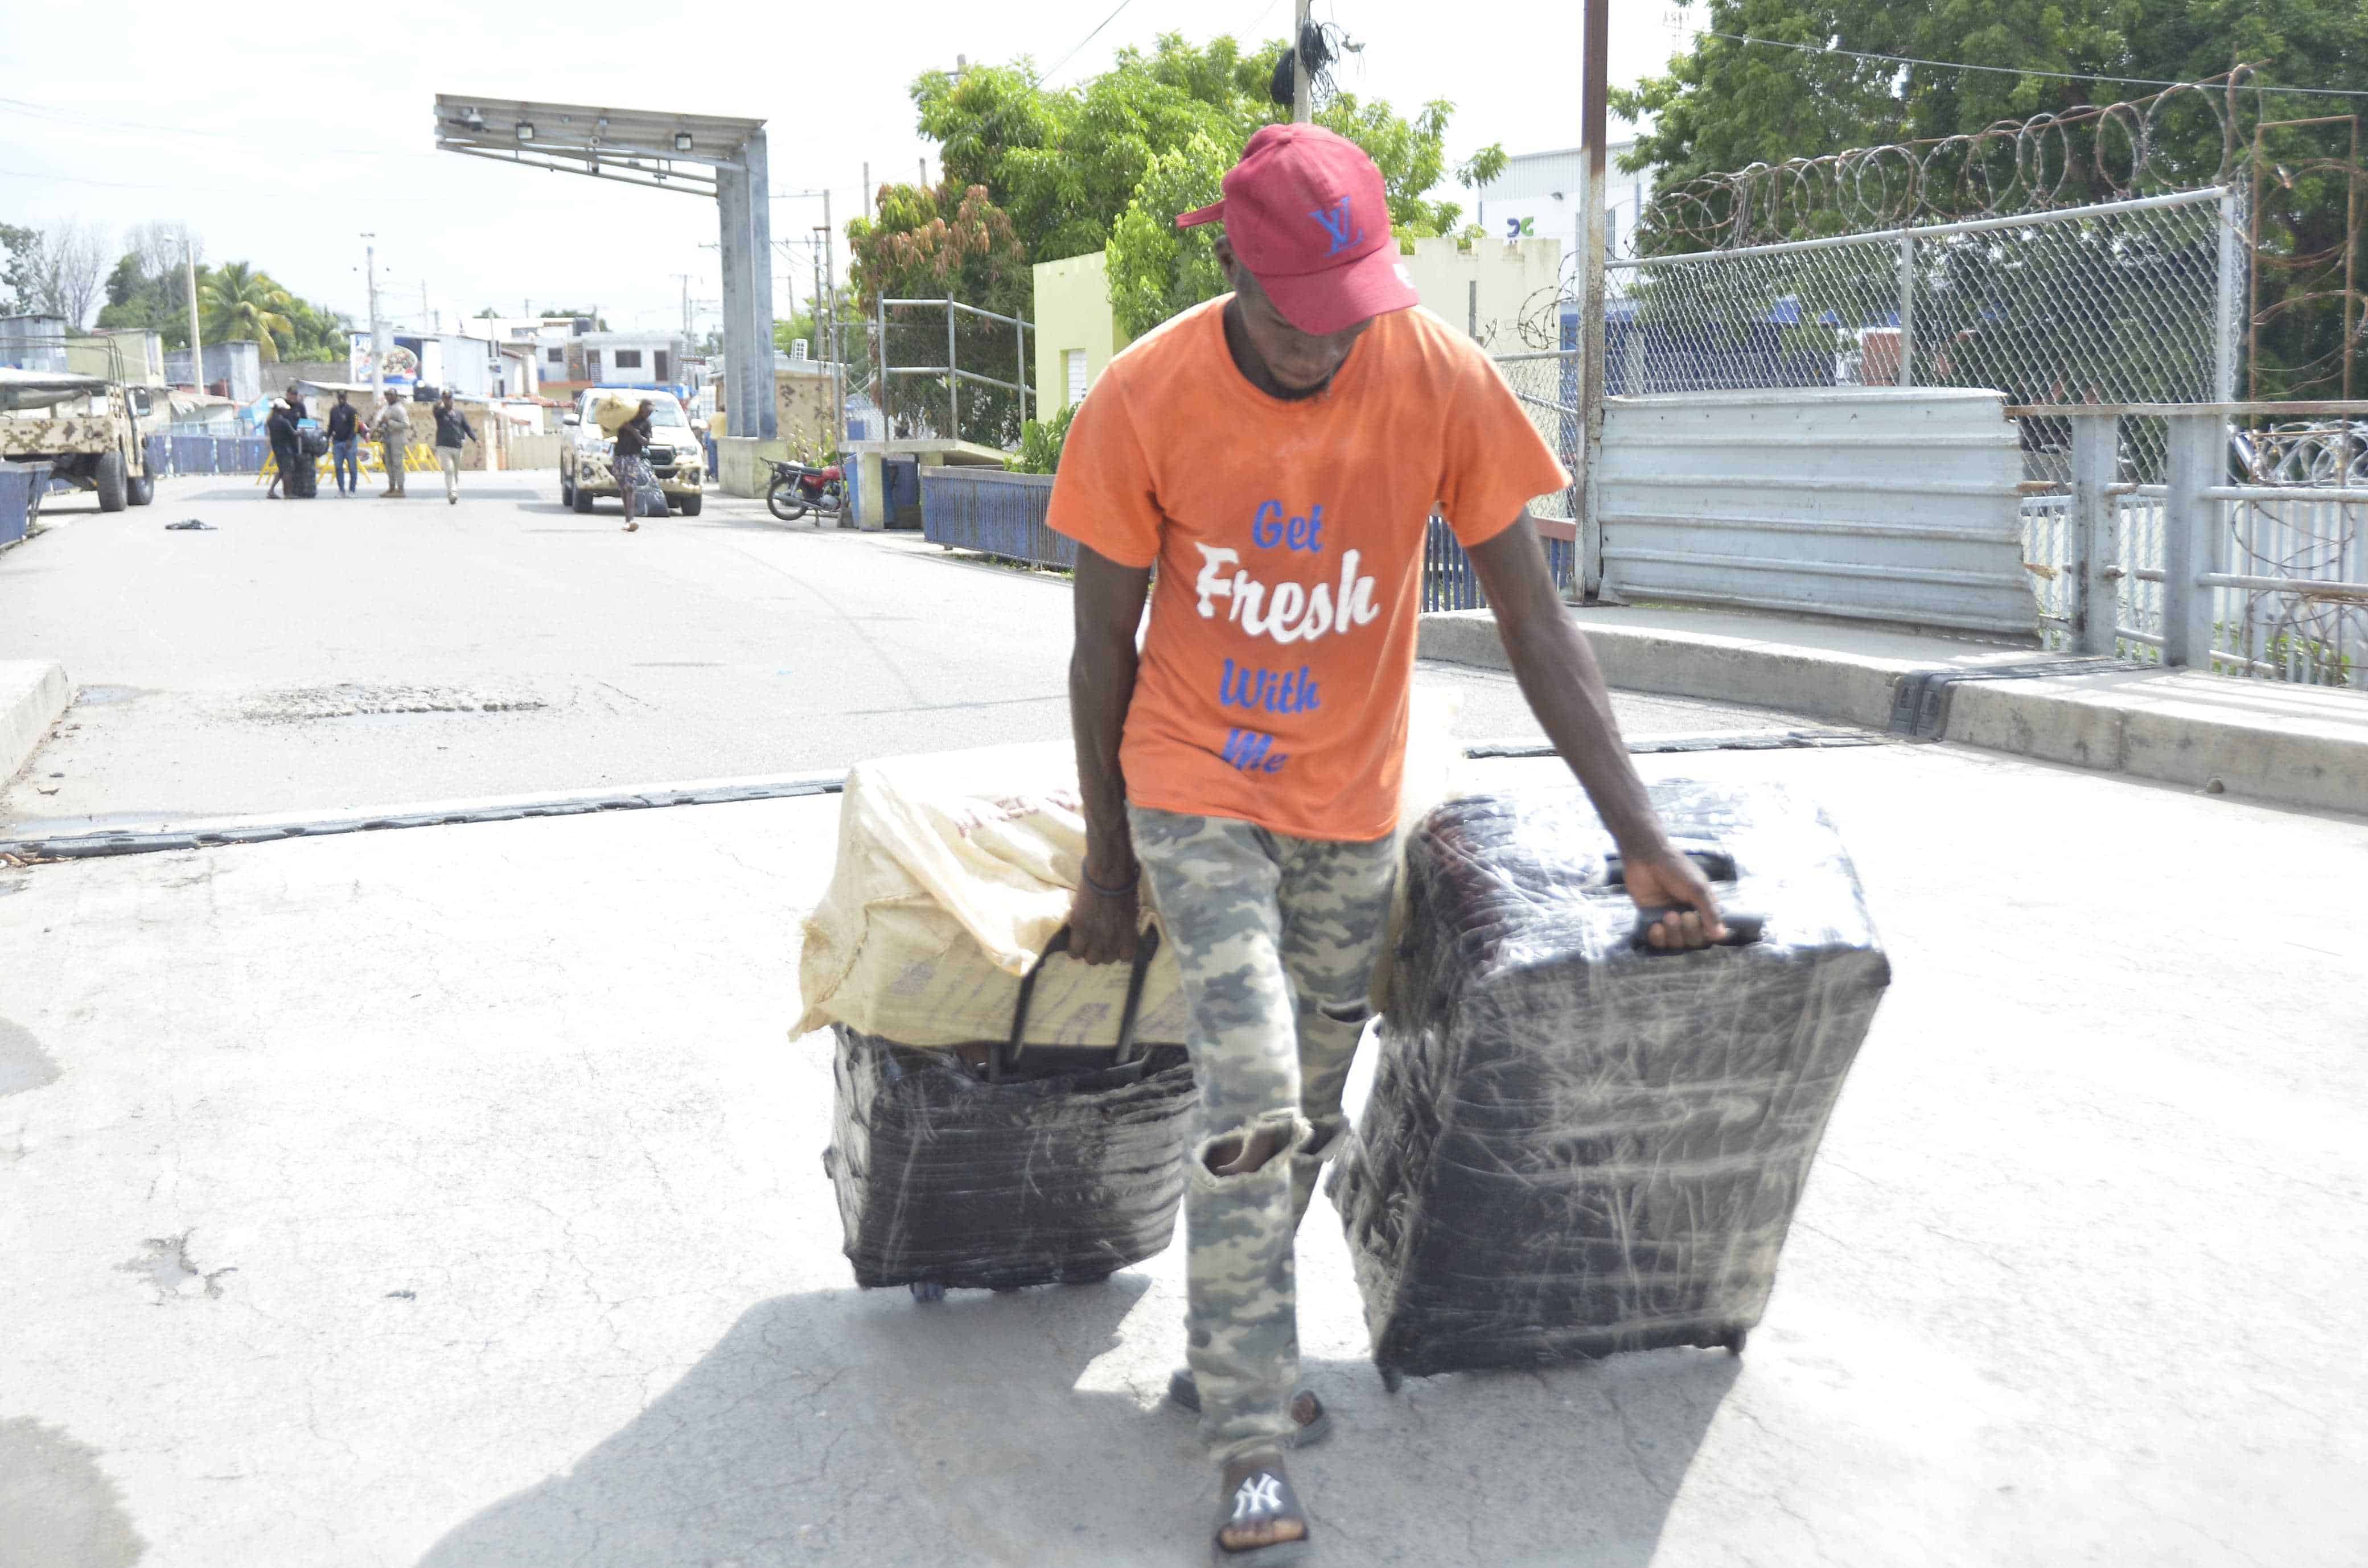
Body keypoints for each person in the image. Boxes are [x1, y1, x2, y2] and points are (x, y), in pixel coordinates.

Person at [1047, 125, 1727, 1565]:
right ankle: (1244, 1429)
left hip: (1350, 799)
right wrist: (1110, 864)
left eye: (1353, 296)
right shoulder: (1144, 395)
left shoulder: (1437, 376)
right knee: (1247, 1084)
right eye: (1302, 308)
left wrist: (1642, 837)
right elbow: (1101, 647)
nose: (1328, 340)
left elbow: (1538, 622)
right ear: (1231, 260)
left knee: (1306, 1096)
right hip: (1194, 778)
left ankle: (1224, 1334)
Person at [611, 398, 655, 533]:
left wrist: (633, 431)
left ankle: (630, 520)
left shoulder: (646, 423)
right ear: (641, 409)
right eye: (647, 411)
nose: (649, 414)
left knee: (630, 487)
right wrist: (621, 426)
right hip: (619, 455)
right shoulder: (626, 417)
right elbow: (611, 429)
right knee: (623, 487)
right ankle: (627, 519)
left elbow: (646, 442)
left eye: (651, 412)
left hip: (633, 456)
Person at [431, 390, 476, 507]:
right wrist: (439, 403)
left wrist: (476, 439)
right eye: (445, 398)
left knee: (455, 472)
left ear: (453, 399)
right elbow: (434, 411)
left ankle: (453, 492)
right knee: (449, 470)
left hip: (457, 446)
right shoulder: (440, 413)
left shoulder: (459, 413)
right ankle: (452, 493)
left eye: (449, 398)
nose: (448, 400)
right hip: (443, 446)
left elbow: (467, 428)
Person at [371, 389, 410, 497]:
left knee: (397, 464)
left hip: (397, 439)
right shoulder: (387, 407)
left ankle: (401, 489)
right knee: (389, 464)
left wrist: (390, 422)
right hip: (387, 438)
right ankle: (392, 488)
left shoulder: (400, 409)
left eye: (391, 395)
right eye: (387, 395)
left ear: (396, 396)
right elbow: (382, 421)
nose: (388, 397)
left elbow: (406, 424)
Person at [327, 390, 363, 497]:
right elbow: (331, 426)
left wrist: (350, 439)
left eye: (343, 396)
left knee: (352, 467)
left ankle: (352, 490)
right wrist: (327, 438)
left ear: (346, 397)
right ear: (338, 397)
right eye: (340, 396)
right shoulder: (333, 410)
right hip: (337, 442)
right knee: (338, 467)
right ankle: (341, 490)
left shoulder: (353, 411)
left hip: (350, 443)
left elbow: (356, 426)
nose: (341, 398)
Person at [263, 392, 299, 500]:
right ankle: (288, 493)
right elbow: (294, 433)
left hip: (277, 449)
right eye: (284, 409)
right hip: (285, 449)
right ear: (280, 410)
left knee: (282, 470)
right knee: (288, 470)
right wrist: (301, 432)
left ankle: (271, 491)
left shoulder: (270, 421)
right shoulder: (284, 422)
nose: (286, 411)